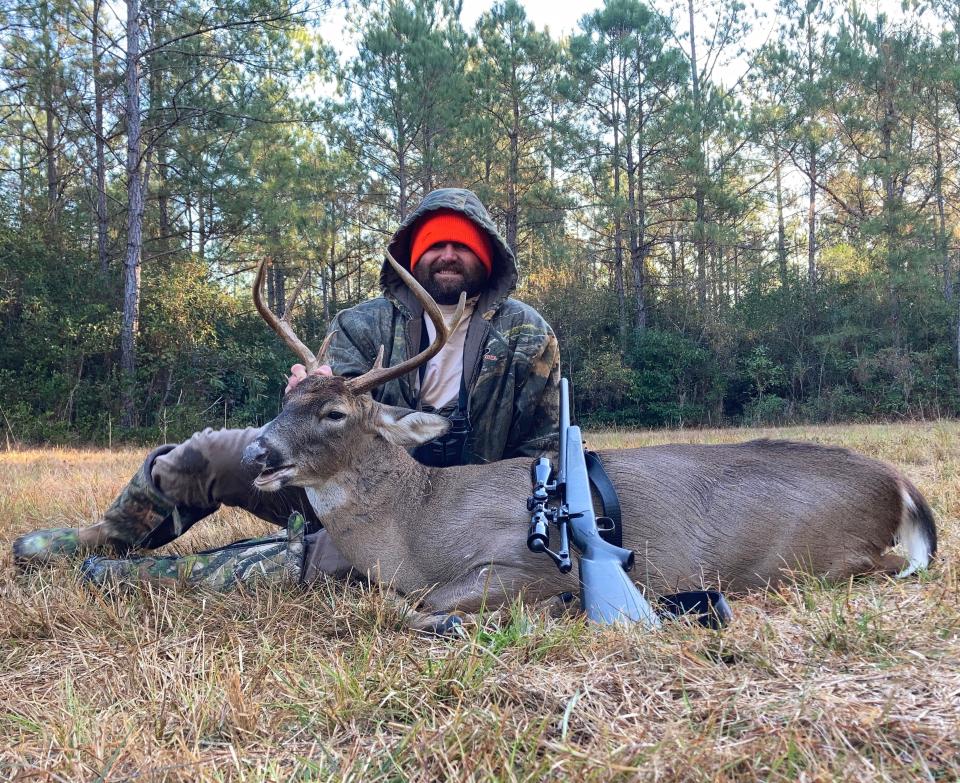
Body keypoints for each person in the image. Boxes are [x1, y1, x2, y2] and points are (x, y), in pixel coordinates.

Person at [13, 188, 560, 586]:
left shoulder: (526, 334)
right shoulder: (363, 323)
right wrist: (310, 393)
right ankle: (111, 535)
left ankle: (146, 578)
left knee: (318, 564)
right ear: (413, 255)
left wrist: (491, 514)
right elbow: (326, 412)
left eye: (463, 245)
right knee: (209, 453)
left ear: (486, 257)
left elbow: (545, 449)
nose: (448, 254)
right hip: (338, 471)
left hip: (454, 512)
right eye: (435, 244)